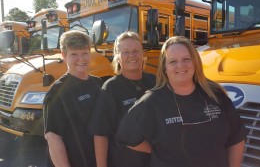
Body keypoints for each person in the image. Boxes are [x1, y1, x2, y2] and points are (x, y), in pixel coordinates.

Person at [116, 36, 248, 167]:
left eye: (186, 59)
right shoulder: (152, 102)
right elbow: (126, 137)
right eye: (173, 61)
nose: (181, 65)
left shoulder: (215, 95)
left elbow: (236, 138)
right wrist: (158, 151)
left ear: (195, 62)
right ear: (164, 68)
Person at [88, 31, 156, 167]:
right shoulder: (111, 88)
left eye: (136, 50)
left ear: (143, 54)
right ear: (117, 57)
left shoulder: (154, 81)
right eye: (125, 52)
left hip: (156, 161)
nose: (132, 55)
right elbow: (100, 134)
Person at [43, 30, 103, 167]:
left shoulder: (98, 83)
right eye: (74, 54)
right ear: (64, 55)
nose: (81, 59)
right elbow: (53, 138)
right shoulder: (57, 92)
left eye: (85, 53)